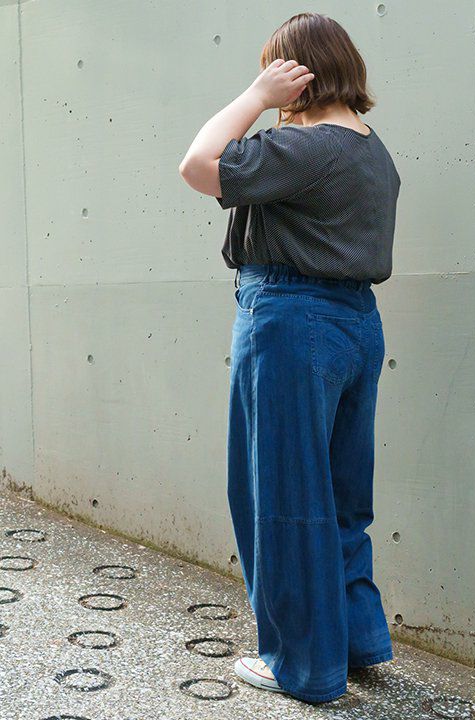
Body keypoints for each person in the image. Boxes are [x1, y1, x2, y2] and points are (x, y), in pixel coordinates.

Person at [179, 11, 401, 705]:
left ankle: (303, 667)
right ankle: (354, 641)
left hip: (289, 320)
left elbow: (197, 165)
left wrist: (255, 96)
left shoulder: (306, 148)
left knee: (281, 496)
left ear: (296, 75)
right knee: (340, 496)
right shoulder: (372, 150)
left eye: (275, 70)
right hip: (355, 324)